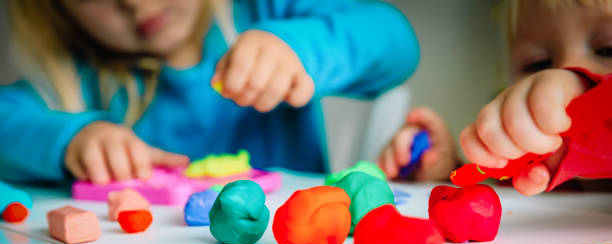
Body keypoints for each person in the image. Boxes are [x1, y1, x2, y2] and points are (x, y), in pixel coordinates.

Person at [0, 0, 419, 184]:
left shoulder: (264, 8)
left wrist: (300, 49)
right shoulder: (77, 79)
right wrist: (71, 139)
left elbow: (397, 42)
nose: (133, 3)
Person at [380, 0, 612, 194]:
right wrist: (443, 171)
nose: (564, 69)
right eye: (538, 64)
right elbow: (488, 202)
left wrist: (588, 89)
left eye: (607, 50)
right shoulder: (525, 171)